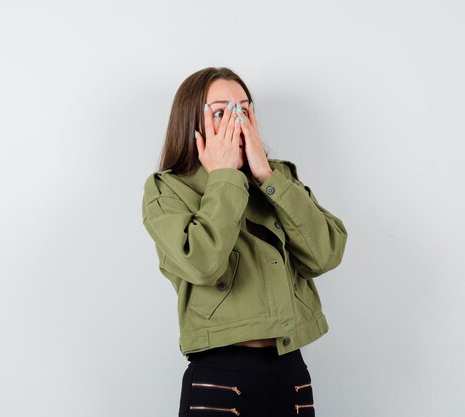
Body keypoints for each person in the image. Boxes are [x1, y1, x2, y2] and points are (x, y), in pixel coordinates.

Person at [141, 67, 348, 417]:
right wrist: (224, 177)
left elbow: (325, 254)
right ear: (192, 122)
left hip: (290, 368)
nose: (236, 122)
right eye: (221, 112)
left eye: (244, 110)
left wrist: (267, 175)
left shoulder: (277, 179)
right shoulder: (168, 189)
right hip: (220, 371)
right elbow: (203, 264)